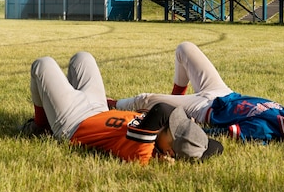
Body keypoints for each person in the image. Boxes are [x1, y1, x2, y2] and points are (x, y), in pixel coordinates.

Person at [110, 41, 284, 148]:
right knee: (185, 49)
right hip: (222, 91)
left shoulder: (266, 131)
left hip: (205, 109)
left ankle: (106, 105)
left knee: (145, 100)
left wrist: (183, 124)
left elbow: (221, 133)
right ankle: (174, 96)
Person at [20, 51, 223, 164]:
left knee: (42, 64)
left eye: (171, 129)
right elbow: (217, 147)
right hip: (98, 108)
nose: (169, 124)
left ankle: (41, 126)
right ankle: (52, 105)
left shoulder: (141, 151)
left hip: (73, 122)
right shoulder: (159, 142)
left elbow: (161, 110)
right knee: (83, 58)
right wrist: (202, 142)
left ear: (169, 151)